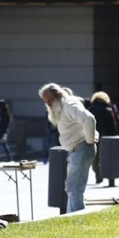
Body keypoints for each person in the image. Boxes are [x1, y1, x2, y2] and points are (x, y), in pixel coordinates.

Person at [39, 83, 97, 213]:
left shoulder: (70, 104)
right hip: (77, 149)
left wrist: (89, 142)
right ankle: (74, 217)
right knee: (72, 187)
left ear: (58, 95)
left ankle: (76, 219)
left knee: (74, 188)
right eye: (45, 102)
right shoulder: (62, 106)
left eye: (49, 100)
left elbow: (89, 119)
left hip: (81, 148)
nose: (47, 104)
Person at [87, 91, 119, 184]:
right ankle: (109, 177)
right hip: (106, 137)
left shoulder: (90, 110)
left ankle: (98, 175)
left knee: (95, 158)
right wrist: (115, 135)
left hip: (93, 136)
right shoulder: (108, 110)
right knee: (106, 157)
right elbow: (112, 125)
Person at [0, 99, 13, 163]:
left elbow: (0, 123)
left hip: (0, 131)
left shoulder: (1, 114)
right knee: (4, 145)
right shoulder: (7, 114)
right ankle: (9, 159)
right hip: (5, 131)